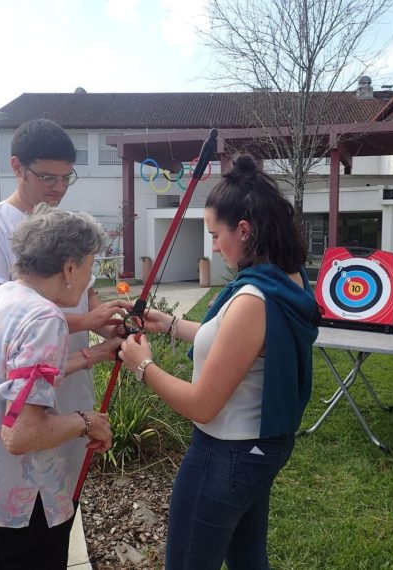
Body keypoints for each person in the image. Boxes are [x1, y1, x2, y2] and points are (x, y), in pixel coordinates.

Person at [119, 154, 319, 569]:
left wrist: (142, 365)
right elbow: (241, 345)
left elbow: (202, 404)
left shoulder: (251, 299)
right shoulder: (288, 277)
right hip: (258, 450)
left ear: (243, 230)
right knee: (248, 560)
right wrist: (171, 324)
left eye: (214, 234)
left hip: (224, 454)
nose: (212, 245)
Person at [0, 118, 130, 497]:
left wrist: (103, 326)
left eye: (67, 178)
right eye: (49, 178)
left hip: (62, 385)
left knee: (58, 496)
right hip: (10, 406)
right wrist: (85, 320)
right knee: (16, 497)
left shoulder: (67, 226)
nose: (59, 188)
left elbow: (86, 292)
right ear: (17, 167)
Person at [0, 204, 113, 570]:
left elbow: (11, 380)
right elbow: (22, 434)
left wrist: (96, 353)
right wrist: (89, 421)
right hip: (20, 507)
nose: (90, 280)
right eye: (90, 267)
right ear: (70, 268)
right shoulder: (44, 317)